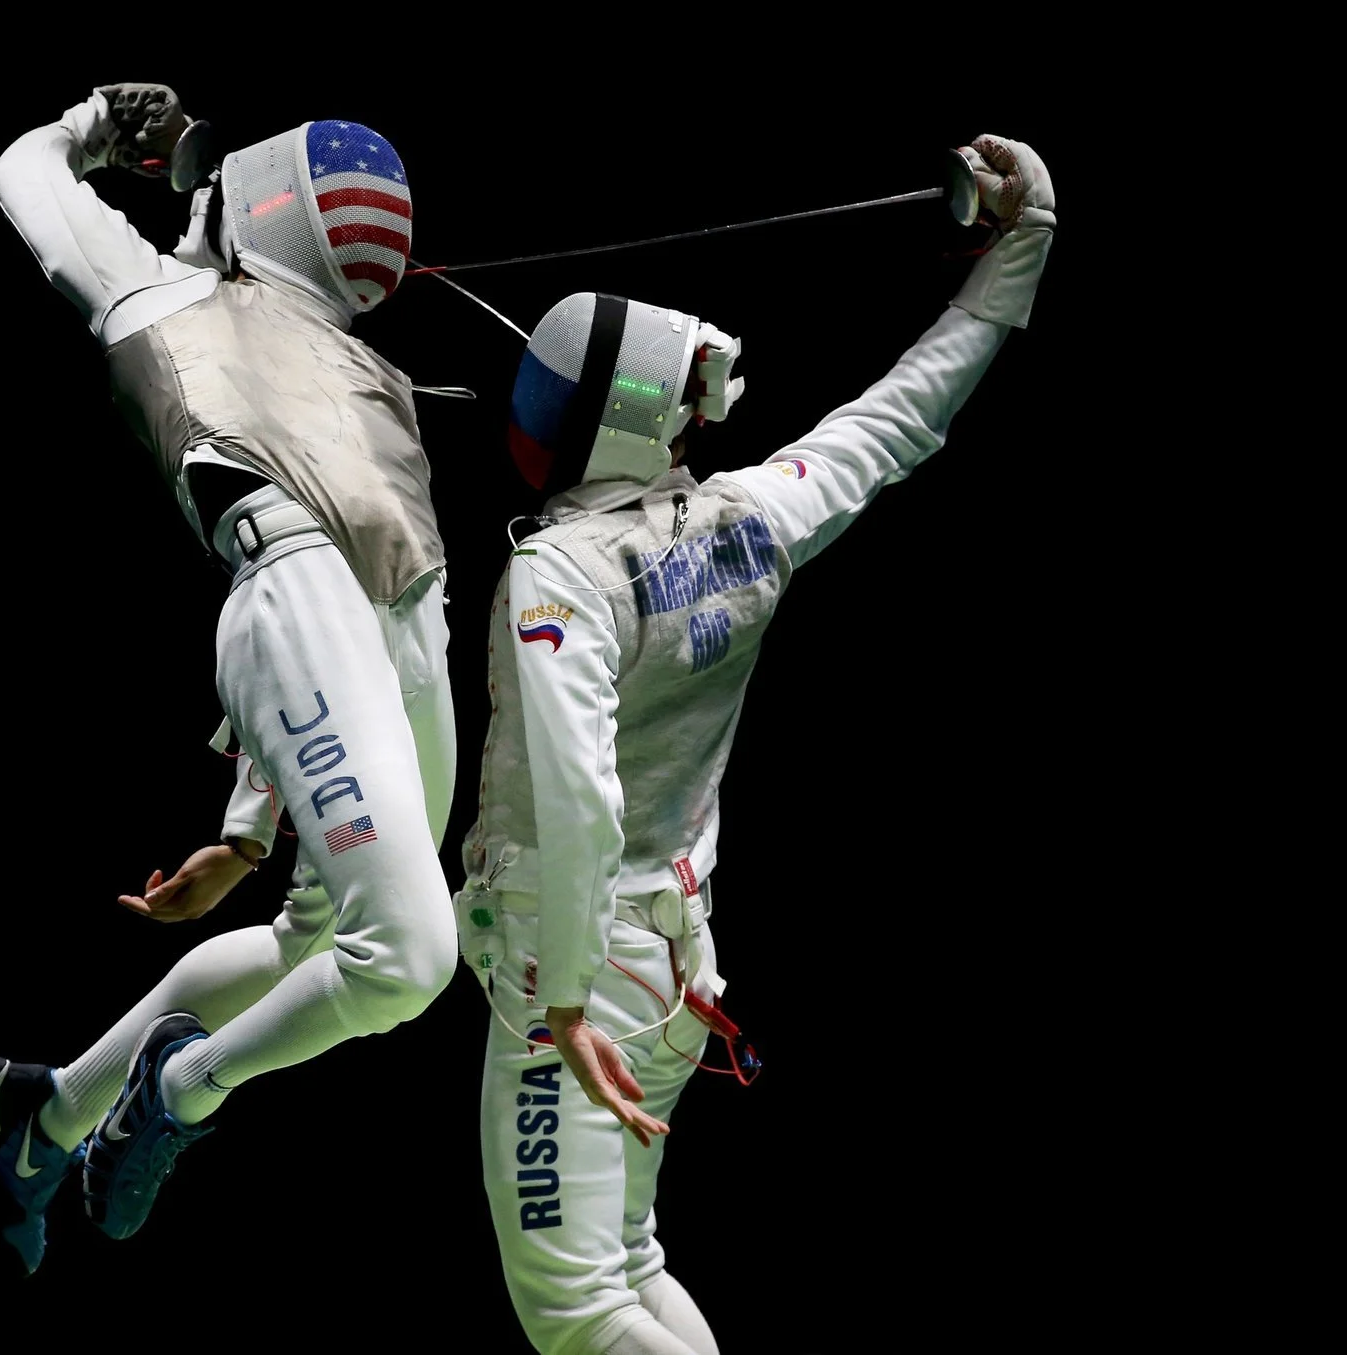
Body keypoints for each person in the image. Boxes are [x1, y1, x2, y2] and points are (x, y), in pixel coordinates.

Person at [452, 134, 1056, 1355]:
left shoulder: (554, 576)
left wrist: (561, 997)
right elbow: (898, 418)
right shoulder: (755, 518)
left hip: (577, 967)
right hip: (674, 956)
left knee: (571, 1305)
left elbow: (578, 795)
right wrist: (1019, 250)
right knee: (626, 1258)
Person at [0, 82, 459, 1275]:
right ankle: (179, 1090)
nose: (193, 208)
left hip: (400, 632)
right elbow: (23, 173)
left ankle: (38, 1115)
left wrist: (248, 835)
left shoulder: (360, 369)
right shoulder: (158, 294)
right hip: (294, 595)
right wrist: (101, 120)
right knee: (405, 955)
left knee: (317, 948)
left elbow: (373, 602)